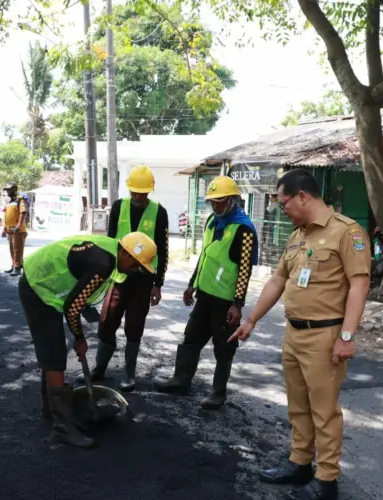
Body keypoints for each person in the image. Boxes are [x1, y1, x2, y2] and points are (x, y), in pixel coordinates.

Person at [230, 168, 371, 500]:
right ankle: (300, 462)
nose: (283, 209)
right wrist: (251, 320)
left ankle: (326, 479)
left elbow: (359, 284)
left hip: (325, 336)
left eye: (284, 203)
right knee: (298, 406)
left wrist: (347, 336)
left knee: (324, 411)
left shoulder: (347, 233)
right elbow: (278, 281)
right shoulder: (298, 236)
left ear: (302, 196)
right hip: (294, 334)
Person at [19, 231, 157, 448]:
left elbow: (82, 295)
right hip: (38, 286)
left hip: (51, 288)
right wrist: (79, 338)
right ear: (127, 254)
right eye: (137, 265)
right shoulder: (103, 263)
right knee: (54, 353)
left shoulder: (112, 251)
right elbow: (72, 307)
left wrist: (82, 325)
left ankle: (51, 411)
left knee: (53, 350)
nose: (135, 271)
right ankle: (62, 428)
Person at [154, 176, 258, 410]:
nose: (216, 206)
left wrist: (237, 304)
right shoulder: (212, 221)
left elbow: (245, 269)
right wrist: (192, 284)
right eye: (213, 202)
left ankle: (217, 393)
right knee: (190, 339)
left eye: (220, 202)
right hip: (205, 295)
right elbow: (205, 256)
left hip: (225, 301)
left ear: (232, 200)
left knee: (224, 348)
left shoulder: (244, 229)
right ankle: (180, 380)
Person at [87, 165, 169, 392]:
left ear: (150, 190)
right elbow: (109, 242)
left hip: (143, 281)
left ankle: (128, 373)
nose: (137, 196)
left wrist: (158, 284)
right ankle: (99, 368)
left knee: (134, 325)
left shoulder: (159, 212)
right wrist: (102, 275)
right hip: (118, 276)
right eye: (134, 191)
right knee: (107, 322)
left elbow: (163, 250)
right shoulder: (118, 207)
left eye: (142, 192)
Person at [2, 183, 28, 276]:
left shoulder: (20, 200)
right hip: (10, 230)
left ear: (15, 189)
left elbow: (23, 212)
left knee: (18, 249)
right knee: (12, 249)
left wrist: (18, 225)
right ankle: (13, 265)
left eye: (9, 189)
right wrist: (4, 228)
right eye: (7, 190)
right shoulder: (9, 202)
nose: (8, 192)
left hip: (18, 230)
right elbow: (6, 215)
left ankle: (17, 268)